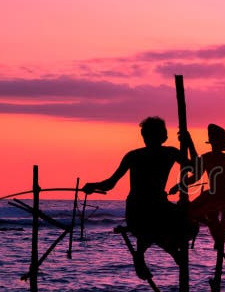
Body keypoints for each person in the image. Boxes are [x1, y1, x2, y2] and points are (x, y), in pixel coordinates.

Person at [83, 116, 194, 280]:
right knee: (157, 224)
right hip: (141, 211)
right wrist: (189, 143)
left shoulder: (146, 154)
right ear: (163, 135)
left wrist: (93, 186)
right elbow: (196, 168)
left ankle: (160, 251)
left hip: (151, 208)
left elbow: (109, 184)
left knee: (185, 223)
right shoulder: (164, 153)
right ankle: (155, 252)